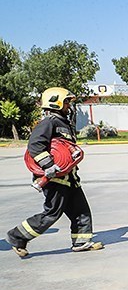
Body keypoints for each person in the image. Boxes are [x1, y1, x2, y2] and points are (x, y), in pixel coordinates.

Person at [7, 87, 104, 257]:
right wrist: (49, 166)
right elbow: (35, 146)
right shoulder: (49, 122)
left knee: (81, 210)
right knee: (52, 213)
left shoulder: (63, 123)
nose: (69, 105)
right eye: (66, 101)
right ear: (56, 102)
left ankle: (81, 242)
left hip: (69, 177)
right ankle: (17, 236)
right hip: (55, 178)